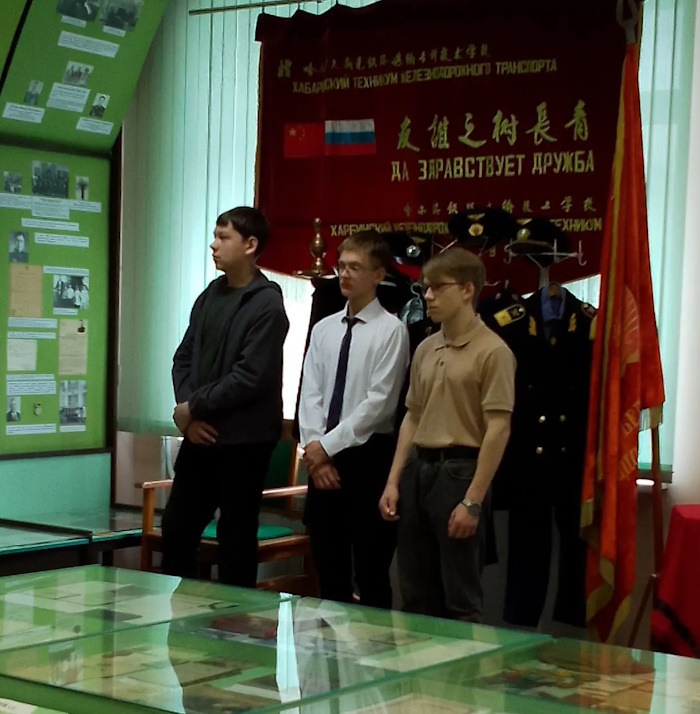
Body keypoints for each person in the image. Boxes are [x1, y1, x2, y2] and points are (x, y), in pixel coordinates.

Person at [379, 248, 515, 622]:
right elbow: (412, 416)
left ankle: (463, 663)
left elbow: (498, 428)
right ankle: (415, 661)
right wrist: (393, 481)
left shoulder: (493, 351)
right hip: (418, 469)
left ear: (468, 290)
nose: (429, 296)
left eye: (438, 287)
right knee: (414, 591)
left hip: (460, 472)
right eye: (426, 288)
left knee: (460, 596)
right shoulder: (426, 347)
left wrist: (473, 500)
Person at [165, 207, 289, 587]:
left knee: (235, 538)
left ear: (250, 245)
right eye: (214, 236)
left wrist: (192, 407)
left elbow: (249, 377)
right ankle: (183, 615)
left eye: (223, 237)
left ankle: (237, 620)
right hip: (200, 434)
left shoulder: (267, 304)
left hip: (244, 441)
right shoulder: (210, 295)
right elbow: (183, 358)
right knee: (177, 528)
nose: (213, 245)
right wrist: (188, 414)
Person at [299, 230, 410, 609]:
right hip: (321, 457)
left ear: (378, 275)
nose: (345, 274)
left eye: (355, 268)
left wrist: (325, 448)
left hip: (368, 457)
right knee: (328, 568)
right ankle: (329, 646)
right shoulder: (324, 328)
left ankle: (373, 646)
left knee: (371, 570)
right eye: (341, 266)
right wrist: (315, 450)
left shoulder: (391, 330)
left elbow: (379, 404)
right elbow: (310, 393)